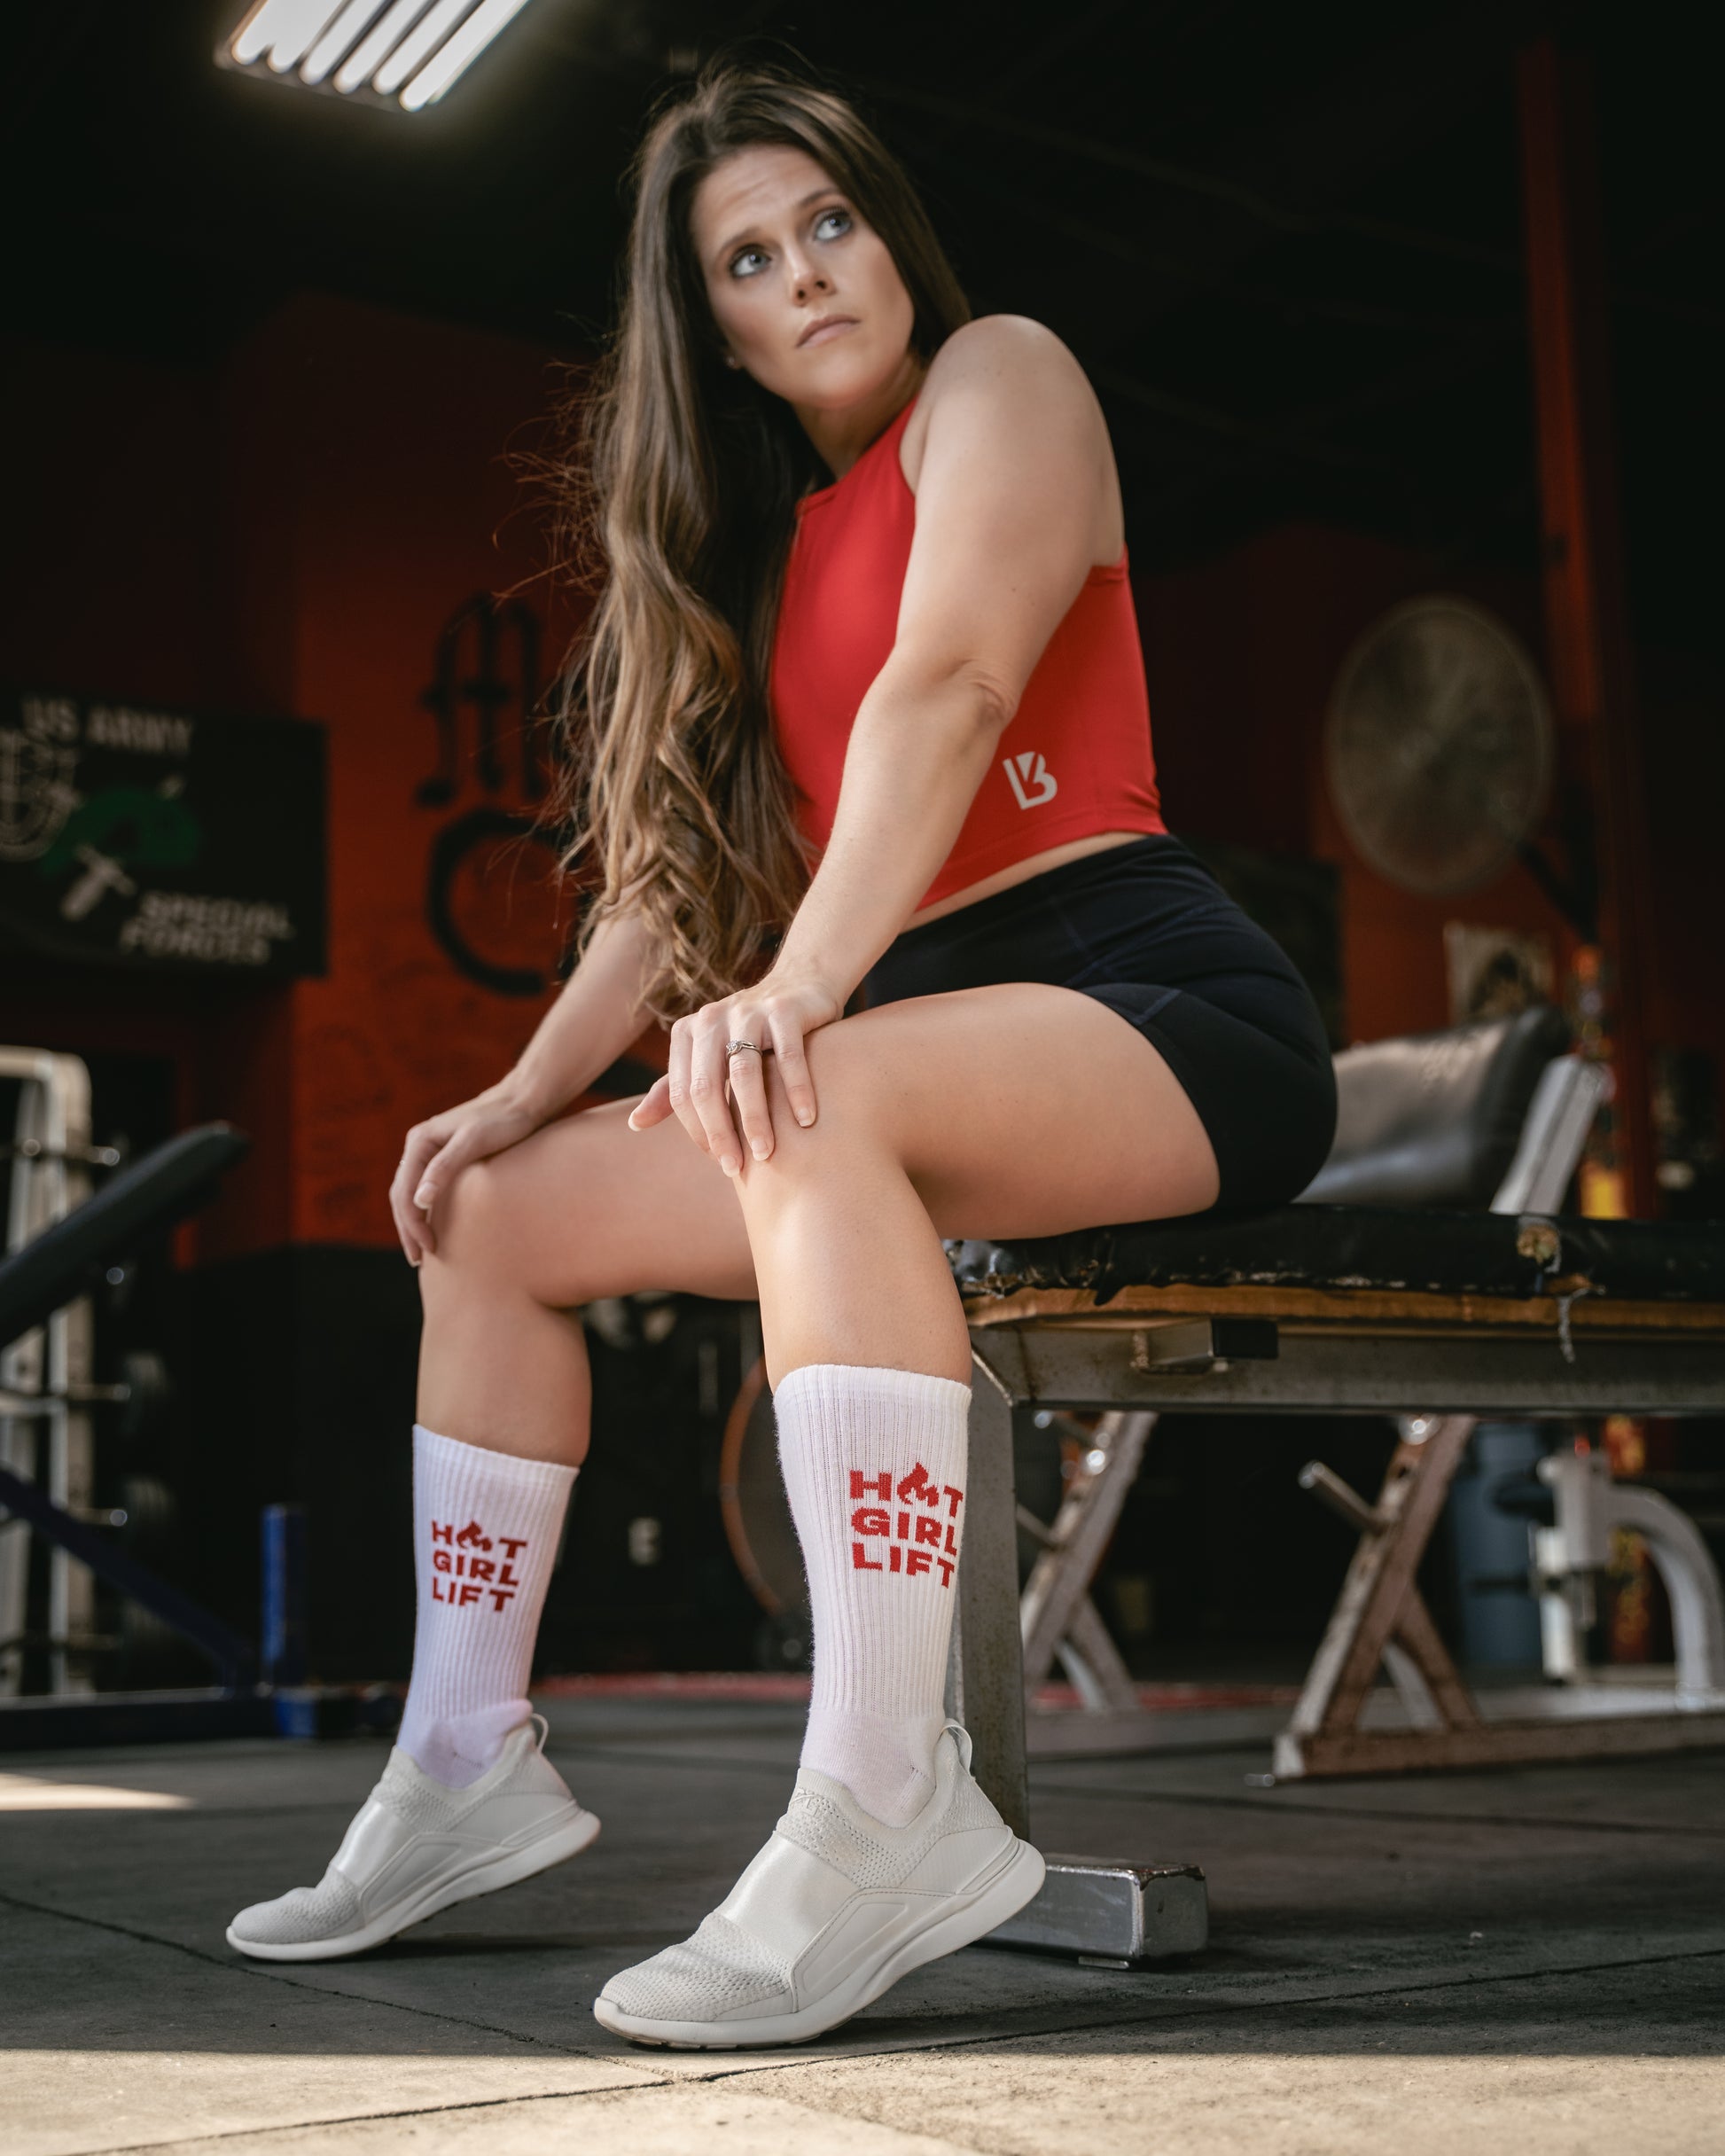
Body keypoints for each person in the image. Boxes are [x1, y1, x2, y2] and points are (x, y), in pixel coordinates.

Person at [226, 60, 1336, 2047]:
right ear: (712, 329)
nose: (809, 274)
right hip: (898, 1022)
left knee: (806, 1090)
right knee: (483, 1209)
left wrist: (807, 987)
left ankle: (885, 1800)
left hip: (1154, 998)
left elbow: (950, 683)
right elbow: (664, 888)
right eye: (751, 256)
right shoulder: (749, 553)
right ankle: (467, 1762)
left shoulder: (1003, 376)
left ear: (886, 227)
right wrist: (521, 1086)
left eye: (828, 221)